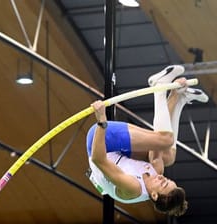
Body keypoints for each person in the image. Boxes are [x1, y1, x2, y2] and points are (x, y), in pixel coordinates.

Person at [86, 65, 209, 216]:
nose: (163, 177)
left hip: (101, 143)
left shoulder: (133, 188)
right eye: (168, 179)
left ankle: (159, 86)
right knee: (168, 155)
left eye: (163, 183)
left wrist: (101, 121)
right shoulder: (156, 172)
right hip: (119, 153)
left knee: (165, 140)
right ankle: (178, 97)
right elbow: (157, 138)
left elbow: (98, 159)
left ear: (155, 195)